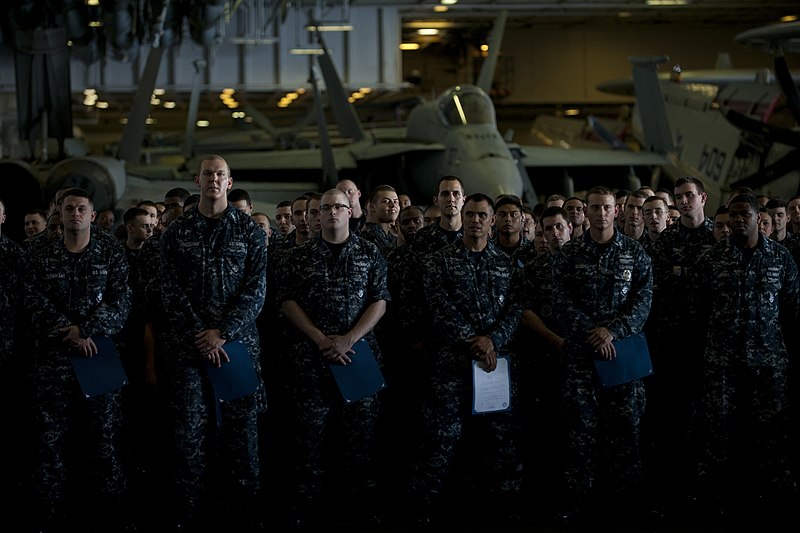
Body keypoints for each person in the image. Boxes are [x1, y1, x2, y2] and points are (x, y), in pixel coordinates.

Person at [158, 155, 268, 530]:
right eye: (207, 174)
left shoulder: (249, 231)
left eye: (220, 174)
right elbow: (169, 291)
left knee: (243, 436)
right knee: (189, 434)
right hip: (190, 351)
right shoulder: (176, 232)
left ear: (229, 181)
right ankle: (187, 514)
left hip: (237, 348)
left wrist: (223, 332)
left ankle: (244, 514)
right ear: (197, 180)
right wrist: (201, 335)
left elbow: (256, 290)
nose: (214, 180)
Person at [409, 193, 524, 526]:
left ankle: (502, 504)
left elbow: (516, 308)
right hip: (451, 365)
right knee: (440, 439)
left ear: (492, 220)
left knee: (500, 439)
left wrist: (493, 340)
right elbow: (438, 307)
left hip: (494, 366)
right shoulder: (438, 261)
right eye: (470, 214)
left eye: (482, 215)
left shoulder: (507, 264)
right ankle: (425, 505)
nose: (475, 220)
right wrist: (475, 342)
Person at [23, 188, 133, 531]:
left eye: (81, 209)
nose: (74, 214)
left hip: (97, 357)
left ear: (92, 215)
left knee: (103, 441)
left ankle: (107, 516)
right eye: (68, 208)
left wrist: (87, 329)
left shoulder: (111, 251)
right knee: (49, 444)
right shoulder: (39, 252)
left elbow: (122, 301)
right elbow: (29, 298)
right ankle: (48, 516)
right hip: (52, 361)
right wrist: (66, 330)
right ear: (60, 213)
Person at [278, 188, 389, 529]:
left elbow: (380, 300)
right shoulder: (297, 257)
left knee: (362, 439)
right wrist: (322, 339)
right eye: (324, 208)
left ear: (349, 211)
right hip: (312, 360)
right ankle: (307, 505)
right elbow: (286, 302)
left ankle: (361, 506)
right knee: (309, 439)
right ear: (317, 214)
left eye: (338, 206)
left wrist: (348, 339)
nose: (331, 213)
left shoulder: (370, 252)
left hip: (358, 357)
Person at [692, 194, 799, 523]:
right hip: (723, 362)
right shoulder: (711, 260)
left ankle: (774, 493)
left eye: (746, 214)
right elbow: (699, 309)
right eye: (734, 215)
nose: (739, 220)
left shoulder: (780, 258)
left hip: (768, 363)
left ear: (758, 217)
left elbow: (793, 307)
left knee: (771, 431)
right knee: (720, 431)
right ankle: (717, 495)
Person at [552, 185, 654, 526]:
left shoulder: (636, 253)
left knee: (627, 432)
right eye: (594, 207)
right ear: (585, 212)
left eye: (606, 207)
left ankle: (630, 503)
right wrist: (594, 334)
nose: (600, 213)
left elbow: (643, 301)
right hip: (583, 358)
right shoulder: (569, 255)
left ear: (617, 211)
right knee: (581, 433)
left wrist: (613, 331)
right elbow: (560, 301)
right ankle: (577, 501)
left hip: (622, 357)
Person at [646, 175, 717, 509]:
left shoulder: (721, 237)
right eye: (679, 197)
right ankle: (674, 487)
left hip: (712, 342)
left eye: (690, 195)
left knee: (710, 417)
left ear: (703, 197)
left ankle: (707, 486)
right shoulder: (666, 240)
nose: (684, 201)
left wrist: (684, 273)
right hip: (673, 343)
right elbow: (656, 290)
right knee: (672, 417)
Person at [517, 205, 571, 513]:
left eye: (559, 227)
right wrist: (554, 340)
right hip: (544, 357)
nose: (554, 233)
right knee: (545, 427)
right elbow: (526, 312)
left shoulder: (583, 262)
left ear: (570, 227)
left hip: (582, 358)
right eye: (547, 229)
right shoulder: (533, 270)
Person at [492, 194, 532, 267]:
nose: (508, 219)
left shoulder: (533, 250)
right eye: (502, 215)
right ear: (494, 218)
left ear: (522, 218)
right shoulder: (487, 249)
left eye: (513, 215)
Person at [360, 185, 400, 256]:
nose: (393, 205)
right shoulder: (370, 236)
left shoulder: (392, 234)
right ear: (372, 207)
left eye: (395, 201)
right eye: (386, 201)